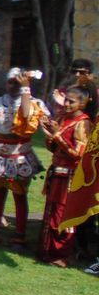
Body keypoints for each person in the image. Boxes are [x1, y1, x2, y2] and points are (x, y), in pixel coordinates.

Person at [0, 68, 48, 249]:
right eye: (11, 82)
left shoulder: (33, 103)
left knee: (19, 196)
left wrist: (25, 89)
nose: (13, 86)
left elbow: (25, 116)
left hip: (19, 155)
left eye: (17, 82)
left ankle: (19, 236)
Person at [38, 85, 91, 266]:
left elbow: (78, 154)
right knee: (51, 212)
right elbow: (54, 148)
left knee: (63, 215)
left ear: (82, 103)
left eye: (71, 101)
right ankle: (47, 251)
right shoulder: (64, 118)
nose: (66, 104)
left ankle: (61, 254)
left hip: (70, 177)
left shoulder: (83, 123)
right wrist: (49, 135)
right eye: (66, 100)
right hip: (56, 172)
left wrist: (57, 135)